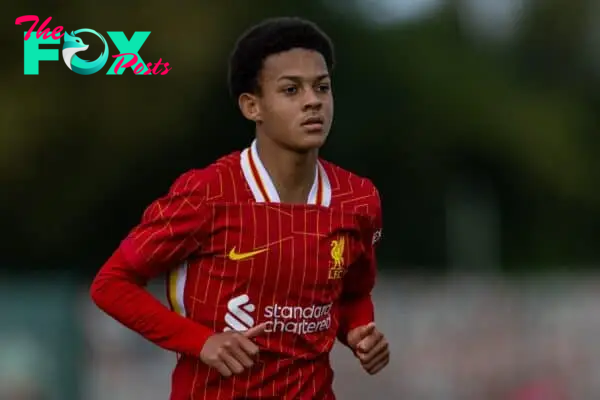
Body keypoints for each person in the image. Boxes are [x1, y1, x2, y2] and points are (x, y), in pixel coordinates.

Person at [90, 16, 389, 399]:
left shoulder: (358, 199)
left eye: (322, 87)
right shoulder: (207, 193)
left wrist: (360, 332)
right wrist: (201, 341)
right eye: (291, 90)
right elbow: (111, 285)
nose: (313, 100)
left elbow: (353, 295)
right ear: (252, 107)